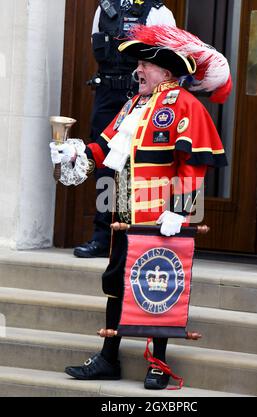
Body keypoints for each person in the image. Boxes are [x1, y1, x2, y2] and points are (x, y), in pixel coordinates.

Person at [50, 24, 231, 389]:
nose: (136, 71)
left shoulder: (185, 106)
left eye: (144, 66)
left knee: (158, 284)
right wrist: (74, 151)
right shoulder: (133, 105)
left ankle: (158, 363)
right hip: (123, 211)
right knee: (117, 282)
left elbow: (193, 165)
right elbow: (106, 147)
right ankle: (108, 358)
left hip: (161, 216)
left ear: (166, 72)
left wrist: (179, 213)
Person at [73, 0, 176, 258]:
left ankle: (137, 235)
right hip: (107, 95)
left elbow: (168, 61)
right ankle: (102, 236)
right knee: (104, 166)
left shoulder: (158, 12)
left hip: (141, 94)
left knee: (140, 165)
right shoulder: (104, 8)